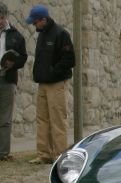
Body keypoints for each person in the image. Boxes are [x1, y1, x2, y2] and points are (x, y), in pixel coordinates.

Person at [25, 4, 75, 164]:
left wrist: (53, 72)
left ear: (43, 20)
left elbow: (69, 59)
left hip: (56, 84)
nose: (34, 25)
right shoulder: (42, 35)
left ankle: (60, 154)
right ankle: (44, 153)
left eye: (35, 22)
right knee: (42, 119)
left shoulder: (61, 34)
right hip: (43, 84)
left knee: (58, 119)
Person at [0, 2, 27, 161]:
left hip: (7, 79)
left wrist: (13, 64)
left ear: (6, 17)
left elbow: (23, 57)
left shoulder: (16, 35)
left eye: (1, 18)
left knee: (4, 118)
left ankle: (2, 153)